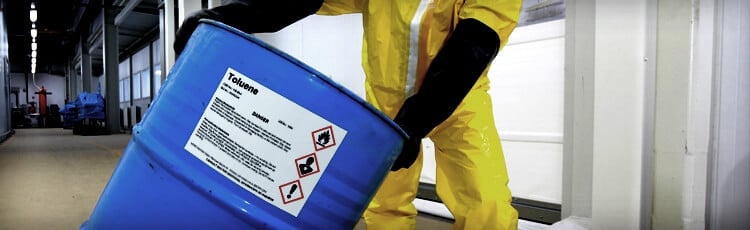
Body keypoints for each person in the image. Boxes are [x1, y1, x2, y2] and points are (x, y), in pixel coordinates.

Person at [174, 0, 522, 229]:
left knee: (486, 203)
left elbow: (473, 46)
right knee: (385, 208)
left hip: (459, 101)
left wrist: (415, 123)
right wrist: (229, 15)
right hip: (386, 107)